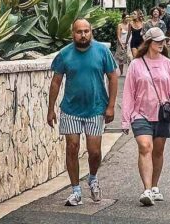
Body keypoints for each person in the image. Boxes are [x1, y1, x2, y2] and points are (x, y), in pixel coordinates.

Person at [47, 18, 119, 206]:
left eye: (86, 31)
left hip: (96, 108)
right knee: (72, 147)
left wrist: (111, 106)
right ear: (73, 33)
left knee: (94, 152)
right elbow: (55, 82)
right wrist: (51, 109)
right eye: (79, 31)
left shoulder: (102, 51)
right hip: (70, 109)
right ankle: (75, 191)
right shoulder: (64, 54)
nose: (83, 35)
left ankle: (93, 178)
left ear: (91, 32)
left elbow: (113, 77)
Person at [121, 26, 170, 206]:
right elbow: (128, 93)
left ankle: (155, 186)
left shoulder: (168, 64)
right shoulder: (136, 64)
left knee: (158, 151)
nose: (161, 43)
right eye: (157, 41)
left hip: (162, 114)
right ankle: (147, 189)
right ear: (149, 42)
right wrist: (125, 119)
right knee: (145, 147)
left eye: (163, 40)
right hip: (140, 113)